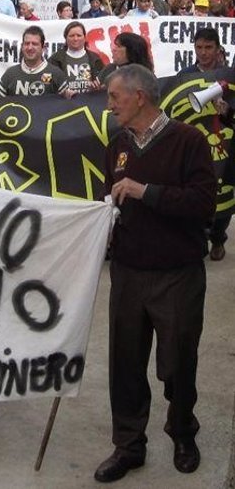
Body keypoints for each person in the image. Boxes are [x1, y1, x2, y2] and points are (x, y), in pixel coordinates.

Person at [94, 64, 216, 483]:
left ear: (139, 97)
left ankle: (183, 432)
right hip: (128, 272)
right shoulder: (117, 144)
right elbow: (108, 199)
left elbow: (203, 204)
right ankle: (128, 446)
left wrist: (146, 193)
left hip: (176, 273)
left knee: (178, 362)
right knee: (125, 364)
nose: (109, 106)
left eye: (114, 97)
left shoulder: (188, 141)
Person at [177, 27, 232, 261]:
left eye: (208, 48)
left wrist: (228, 110)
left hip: (225, 139)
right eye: (199, 47)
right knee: (199, 188)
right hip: (198, 140)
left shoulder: (228, 74)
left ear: (218, 48)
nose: (203, 52)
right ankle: (200, 237)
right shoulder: (186, 74)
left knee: (224, 189)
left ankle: (218, 237)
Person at [0, 26, 71, 98]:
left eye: (35, 44)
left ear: (43, 48)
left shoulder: (56, 74)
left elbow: (68, 104)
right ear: (22, 46)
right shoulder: (10, 73)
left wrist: (69, 96)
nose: (30, 48)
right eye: (26, 43)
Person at [49, 21, 106, 94]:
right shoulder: (55, 59)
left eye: (79, 35)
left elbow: (103, 83)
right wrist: (62, 92)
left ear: (85, 38)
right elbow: (48, 83)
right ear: (65, 38)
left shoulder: (95, 59)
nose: (75, 39)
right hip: (64, 103)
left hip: (89, 102)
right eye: (71, 36)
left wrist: (98, 87)